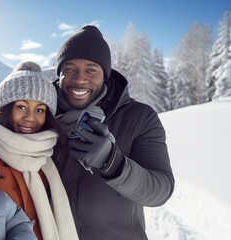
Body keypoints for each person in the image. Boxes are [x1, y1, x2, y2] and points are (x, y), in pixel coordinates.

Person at [52, 25, 175, 239]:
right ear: (59, 74)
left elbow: (160, 190)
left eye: (91, 70)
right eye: (69, 69)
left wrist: (113, 162)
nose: (79, 79)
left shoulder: (139, 117)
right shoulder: (40, 116)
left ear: (105, 75)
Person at [0, 61, 78, 240]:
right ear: (4, 108)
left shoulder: (47, 153)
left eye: (40, 110)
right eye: (21, 107)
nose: (30, 118)